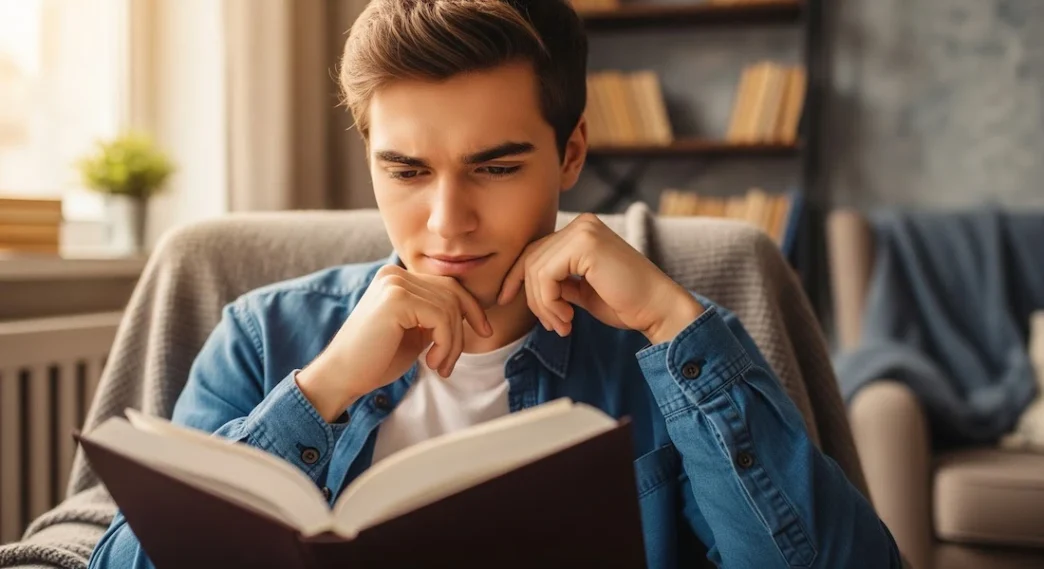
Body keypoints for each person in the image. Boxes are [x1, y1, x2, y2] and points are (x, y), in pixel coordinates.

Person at [88, 1, 902, 567]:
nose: (447, 221)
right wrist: (324, 388)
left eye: (498, 166)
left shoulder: (669, 352)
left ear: (572, 154)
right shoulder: (266, 337)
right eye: (405, 169)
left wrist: (667, 316)